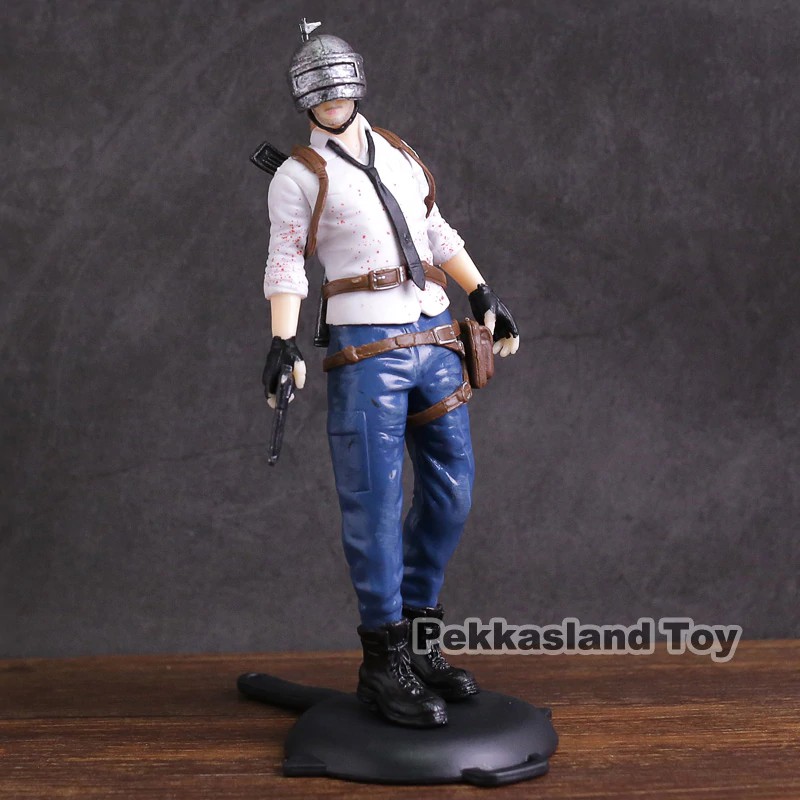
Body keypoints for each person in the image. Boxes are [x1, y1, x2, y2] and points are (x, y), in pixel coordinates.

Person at [261, 20, 520, 728]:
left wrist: (481, 292)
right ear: (304, 100)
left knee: (451, 493)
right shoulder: (296, 177)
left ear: (358, 87)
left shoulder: (400, 154)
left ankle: (421, 644)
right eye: (321, 94)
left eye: (342, 90)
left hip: (434, 335)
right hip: (365, 346)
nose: (334, 102)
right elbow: (286, 260)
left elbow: (434, 229)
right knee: (372, 506)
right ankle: (384, 661)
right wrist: (283, 340)